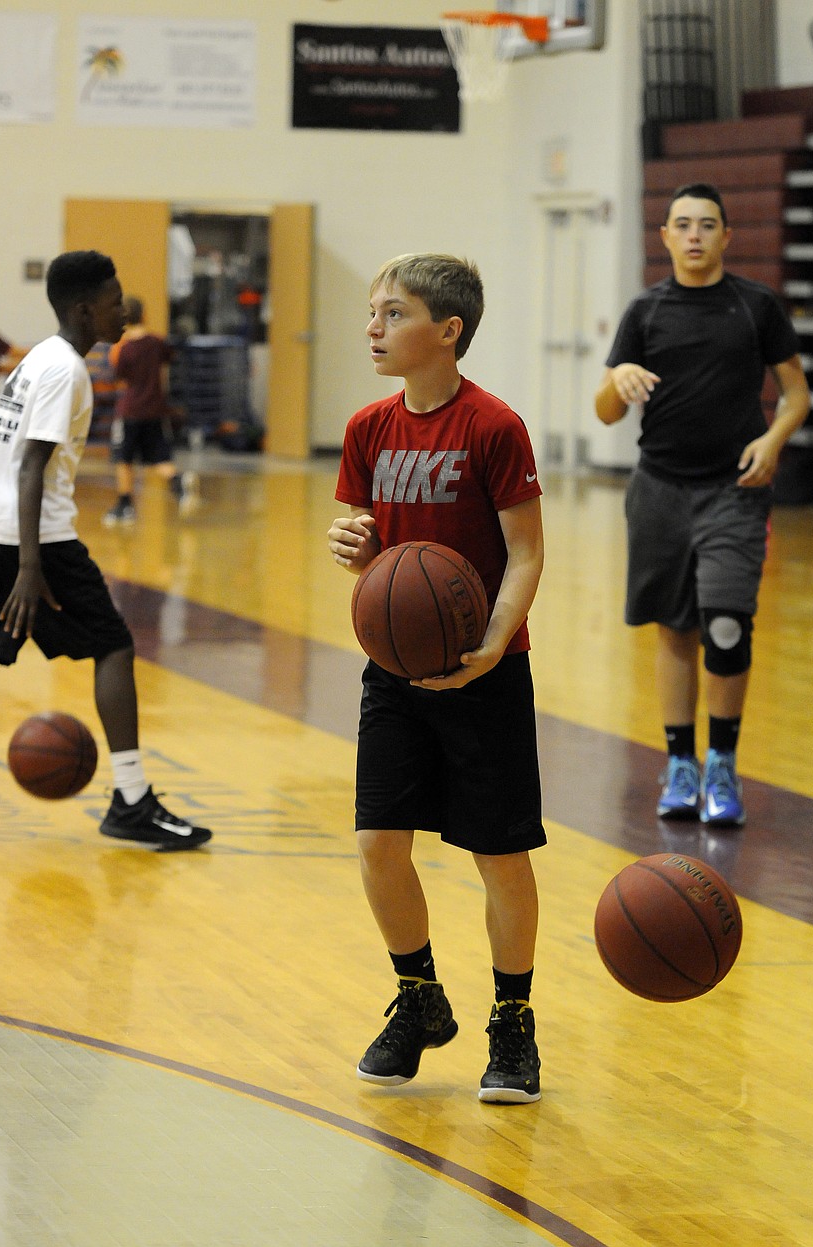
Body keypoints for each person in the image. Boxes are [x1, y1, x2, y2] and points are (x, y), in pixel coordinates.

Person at [327, 254, 546, 1103]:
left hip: (487, 671)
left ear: (447, 330)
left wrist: (492, 645)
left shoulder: (494, 426)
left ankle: (514, 1020)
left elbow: (526, 552)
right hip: (395, 671)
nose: (374, 328)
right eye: (372, 313)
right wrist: (360, 554)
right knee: (379, 842)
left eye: (392, 313)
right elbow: (383, 561)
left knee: (500, 853)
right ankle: (418, 996)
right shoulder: (368, 428)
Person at [595, 183, 810, 827]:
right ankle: (679, 764)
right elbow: (604, 412)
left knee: (725, 625)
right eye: (682, 225)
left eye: (706, 225)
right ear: (664, 236)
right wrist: (615, 382)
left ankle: (722, 763)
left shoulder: (756, 307)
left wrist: (773, 439)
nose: (693, 235)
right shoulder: (646, 312)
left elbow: (796, 395)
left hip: (733, 491)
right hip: (659, 489)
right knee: (675, 628)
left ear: (725, 237)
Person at [0, 250, 211, 851]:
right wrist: (32, 568)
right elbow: (32, 465)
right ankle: (132, 801)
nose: (123, 310)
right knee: (112, 646)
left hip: (0, 530)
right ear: (86, 310)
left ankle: (133, 801)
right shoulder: (65, 369)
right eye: (115, 301)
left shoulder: (39, 357)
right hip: (36, 541)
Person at [103, 295, 197, 526]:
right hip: (155, 408)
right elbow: (170, 357)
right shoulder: (157, 342)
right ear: (144, 315)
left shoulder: (122, 348)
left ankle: (125, 505)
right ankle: (178, 481)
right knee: (158, 457)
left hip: (130, 410)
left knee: (123, 458)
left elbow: (117, 377)